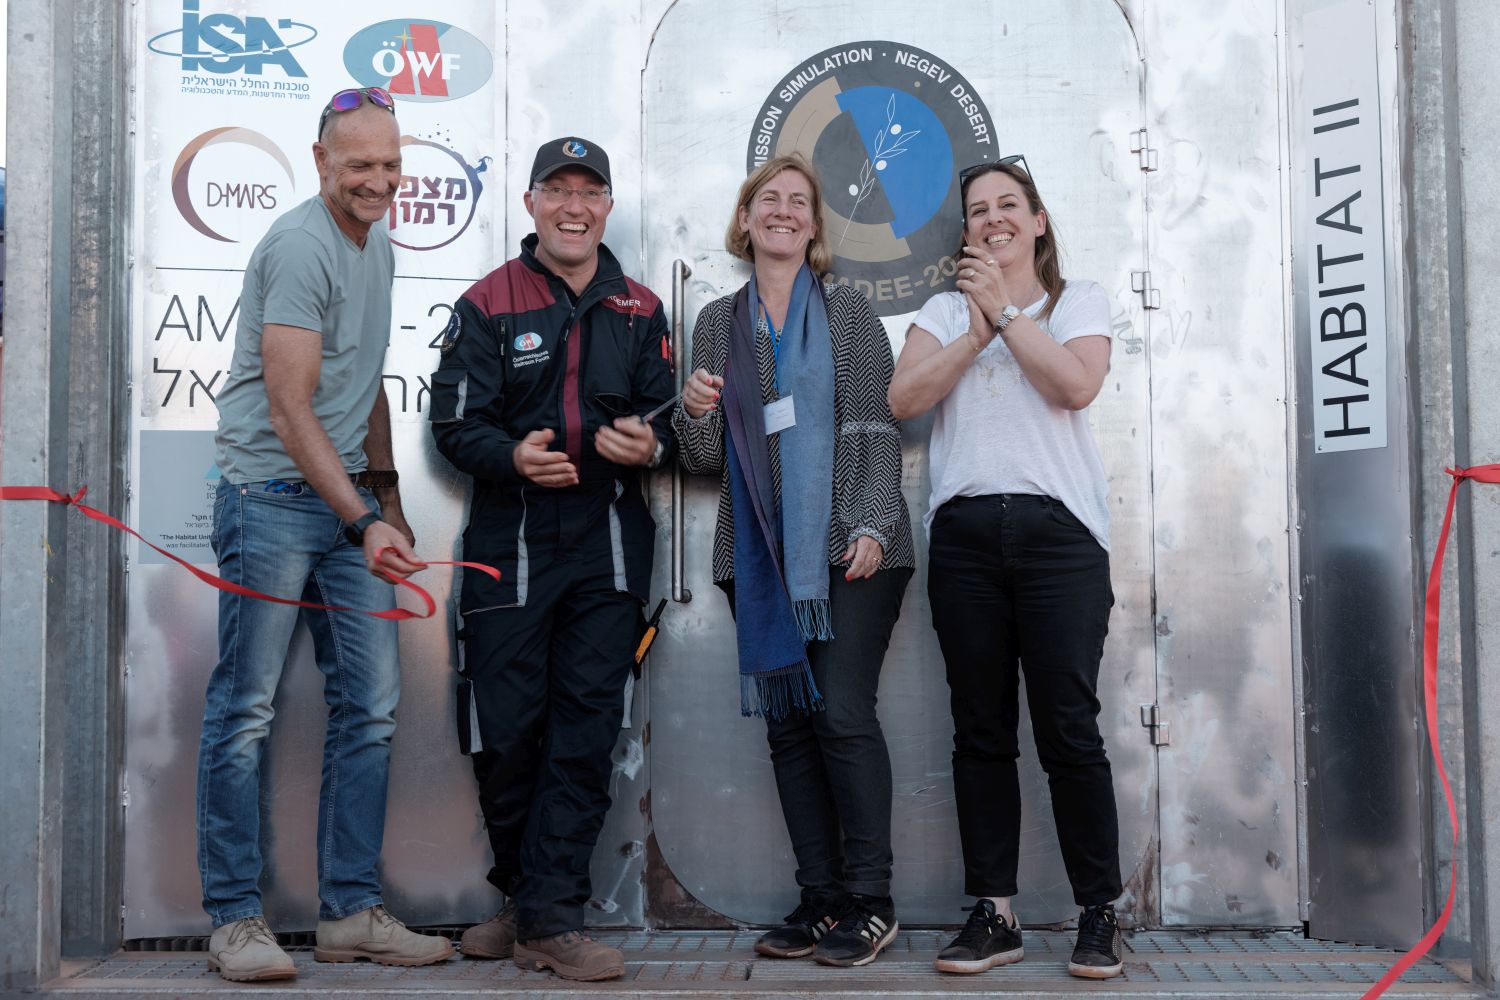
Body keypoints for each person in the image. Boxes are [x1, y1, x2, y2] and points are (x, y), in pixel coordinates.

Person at [196, 87, 453, 982]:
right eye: (359, 167)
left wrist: (384, 497)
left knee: (373, 708)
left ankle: (349, 913)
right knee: (245, 713)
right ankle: (233, 918)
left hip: (341, 500)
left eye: (390, 164)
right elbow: (289, 404)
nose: (378, 182)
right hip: (269, 495)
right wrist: (361, 518)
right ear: (320, 163)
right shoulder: (302, 244)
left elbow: (364, 380)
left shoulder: (375, 243)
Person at [428, 136, 674, 983]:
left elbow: (668, 418)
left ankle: (554, 914)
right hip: (510, 542)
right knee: (506, 728)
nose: (575, 206)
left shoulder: (642, 308)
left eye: (590, 192)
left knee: (584, 731)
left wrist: (651, 440)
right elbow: (454, 426)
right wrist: (510, 457)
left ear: (607, 207)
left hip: (608, 544)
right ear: (531, 203)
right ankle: (525, 902)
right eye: (557, 190)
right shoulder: (485, 302)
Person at [673, 154, 915, 968]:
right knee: (789, 727)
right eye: (766, 200)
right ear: (745, 221)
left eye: (797, 202)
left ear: (813, 227)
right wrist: (693, 410)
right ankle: (820, 900)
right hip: (762, 558)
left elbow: (878, 428)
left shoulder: (848, 312)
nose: (781, 211)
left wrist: (876, 524)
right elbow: (707, 457)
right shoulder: (716, 321)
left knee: (840, 714)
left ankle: (871, 902)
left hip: (854, 546)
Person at [887, 157, 1125, 979]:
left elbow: (1074, 386)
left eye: (1008, 206)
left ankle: (1100, 912)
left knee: (1068, 728)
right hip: (965, 539)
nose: (993, 219)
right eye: (978, 210)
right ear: (967, 231)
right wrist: (979, 328)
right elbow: (903, 399)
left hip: (1060, 539)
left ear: (1038, 220)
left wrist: (1008, 313)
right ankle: (995, 914)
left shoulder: (1077, 300)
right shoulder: (944, 310)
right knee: (980, 730)